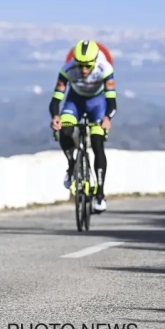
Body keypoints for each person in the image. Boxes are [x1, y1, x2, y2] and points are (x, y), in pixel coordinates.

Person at [49, 39, 116, 212]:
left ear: (95, 61)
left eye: (88, 66)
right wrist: (55, 116)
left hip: (98, 104)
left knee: (97, 142)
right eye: (81, 66)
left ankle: (100, 194)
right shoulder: (67, 70)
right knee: (66, 129)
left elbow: (111, 101)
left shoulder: (105, 68)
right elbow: (56, 99)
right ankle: (72, 165)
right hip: (75, 101)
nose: (84, 70)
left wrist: (107, 118)